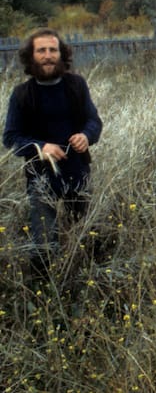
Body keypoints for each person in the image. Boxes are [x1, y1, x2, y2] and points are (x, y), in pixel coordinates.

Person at [3, 28, 103, 253]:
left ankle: (89, 278)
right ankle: (44, 283)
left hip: (77, 171)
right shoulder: (21, 94)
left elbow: (94, 121)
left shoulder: (76, 85)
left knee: (88, 235)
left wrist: (86, 136)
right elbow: (11, 137)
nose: (47, 55)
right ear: (31, 56)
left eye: (52, 50)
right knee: (44, 243)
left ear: (61, 54)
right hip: (40, 176)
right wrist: (40, 147)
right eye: (41, 51)